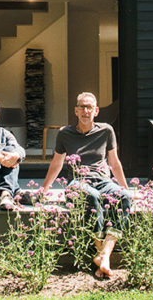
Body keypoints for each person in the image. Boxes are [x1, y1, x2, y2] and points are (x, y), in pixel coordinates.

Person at [40, 91, 132, 279]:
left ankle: (104, 255)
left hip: (103, 181)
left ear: (96, 111)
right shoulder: (65, 133)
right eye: (81, 107)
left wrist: (126, 188)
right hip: (77, 182)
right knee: (92, 197)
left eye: (89, 107)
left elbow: (114, 163)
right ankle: (102, 254)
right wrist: (44, 189)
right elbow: (57, 163)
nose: (85, 111)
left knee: (124, 198)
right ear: (75, 110)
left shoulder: (106, 130)